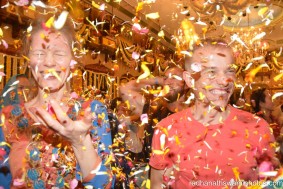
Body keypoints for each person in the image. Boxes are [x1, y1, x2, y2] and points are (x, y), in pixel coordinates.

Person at [0, 15, 113, 188]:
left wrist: (80, 141)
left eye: (59, 53)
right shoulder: (8, 117)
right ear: (29, 61)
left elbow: (105, 185)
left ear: (72, 61)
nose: (49, 62)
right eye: (39, 53)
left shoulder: (92, 112)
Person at [149, 39, 277, 189]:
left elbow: (273, 184)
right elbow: (156, 185)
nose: (224, 80)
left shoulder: (258, 127)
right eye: (211, 72)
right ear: (190, 80)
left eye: (229, 71)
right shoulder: (167, 130)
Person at [120, 66, 189, 160]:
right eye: (165, 78)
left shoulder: (193, 114)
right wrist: (158, 80)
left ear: (187, 84)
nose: (168, 82)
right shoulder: (152, 109)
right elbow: (124, 89)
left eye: (174, 77)